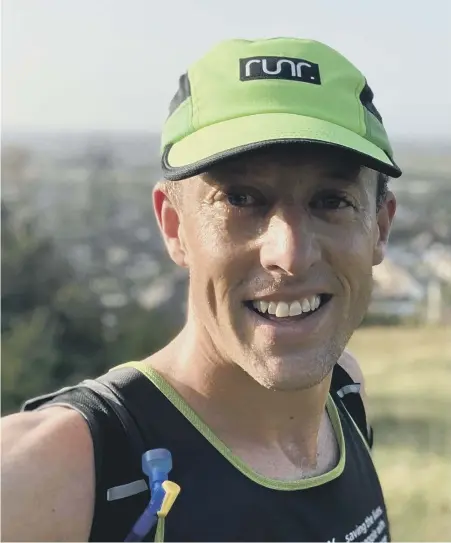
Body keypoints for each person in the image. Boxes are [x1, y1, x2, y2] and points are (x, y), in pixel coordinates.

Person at [1, 37, 401, 542]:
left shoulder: (345, 396)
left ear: (380, 229)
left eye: (332, 200)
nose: (290, 252)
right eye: (240, 198)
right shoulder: (57, 471)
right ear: (174, 227)